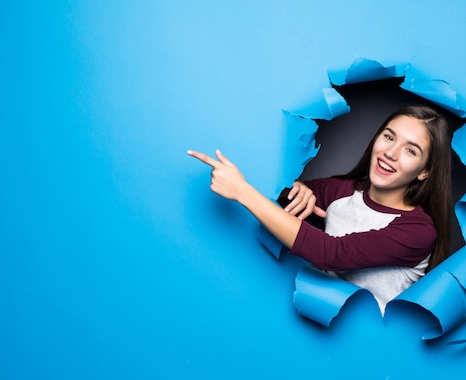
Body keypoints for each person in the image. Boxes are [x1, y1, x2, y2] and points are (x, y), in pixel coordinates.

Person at [187, 104, 452, 313]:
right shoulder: (341, 191)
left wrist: (242, 191)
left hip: (370, 356)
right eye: (388, 136)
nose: (391, 152)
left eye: (410, 151)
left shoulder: (419, 231)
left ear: (425, 172)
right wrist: (299, 190)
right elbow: (284, 195)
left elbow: (332, 253)